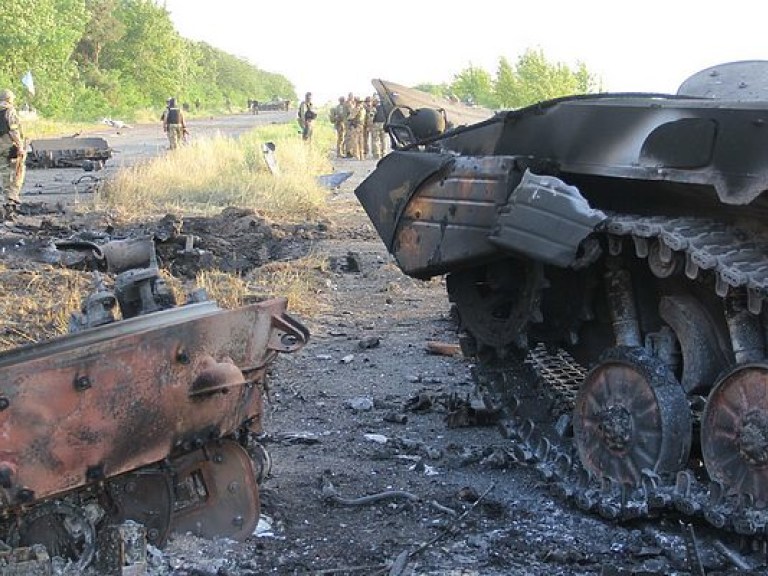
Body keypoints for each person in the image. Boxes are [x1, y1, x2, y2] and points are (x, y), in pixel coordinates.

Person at [0, 89, 25, 217]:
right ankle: (12, 196)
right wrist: (20, 146)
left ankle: (6, 197)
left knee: (3, 171)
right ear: (9, 99)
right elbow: (13, 130)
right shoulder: (10, 111)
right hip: (9, 145)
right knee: (18, 170)